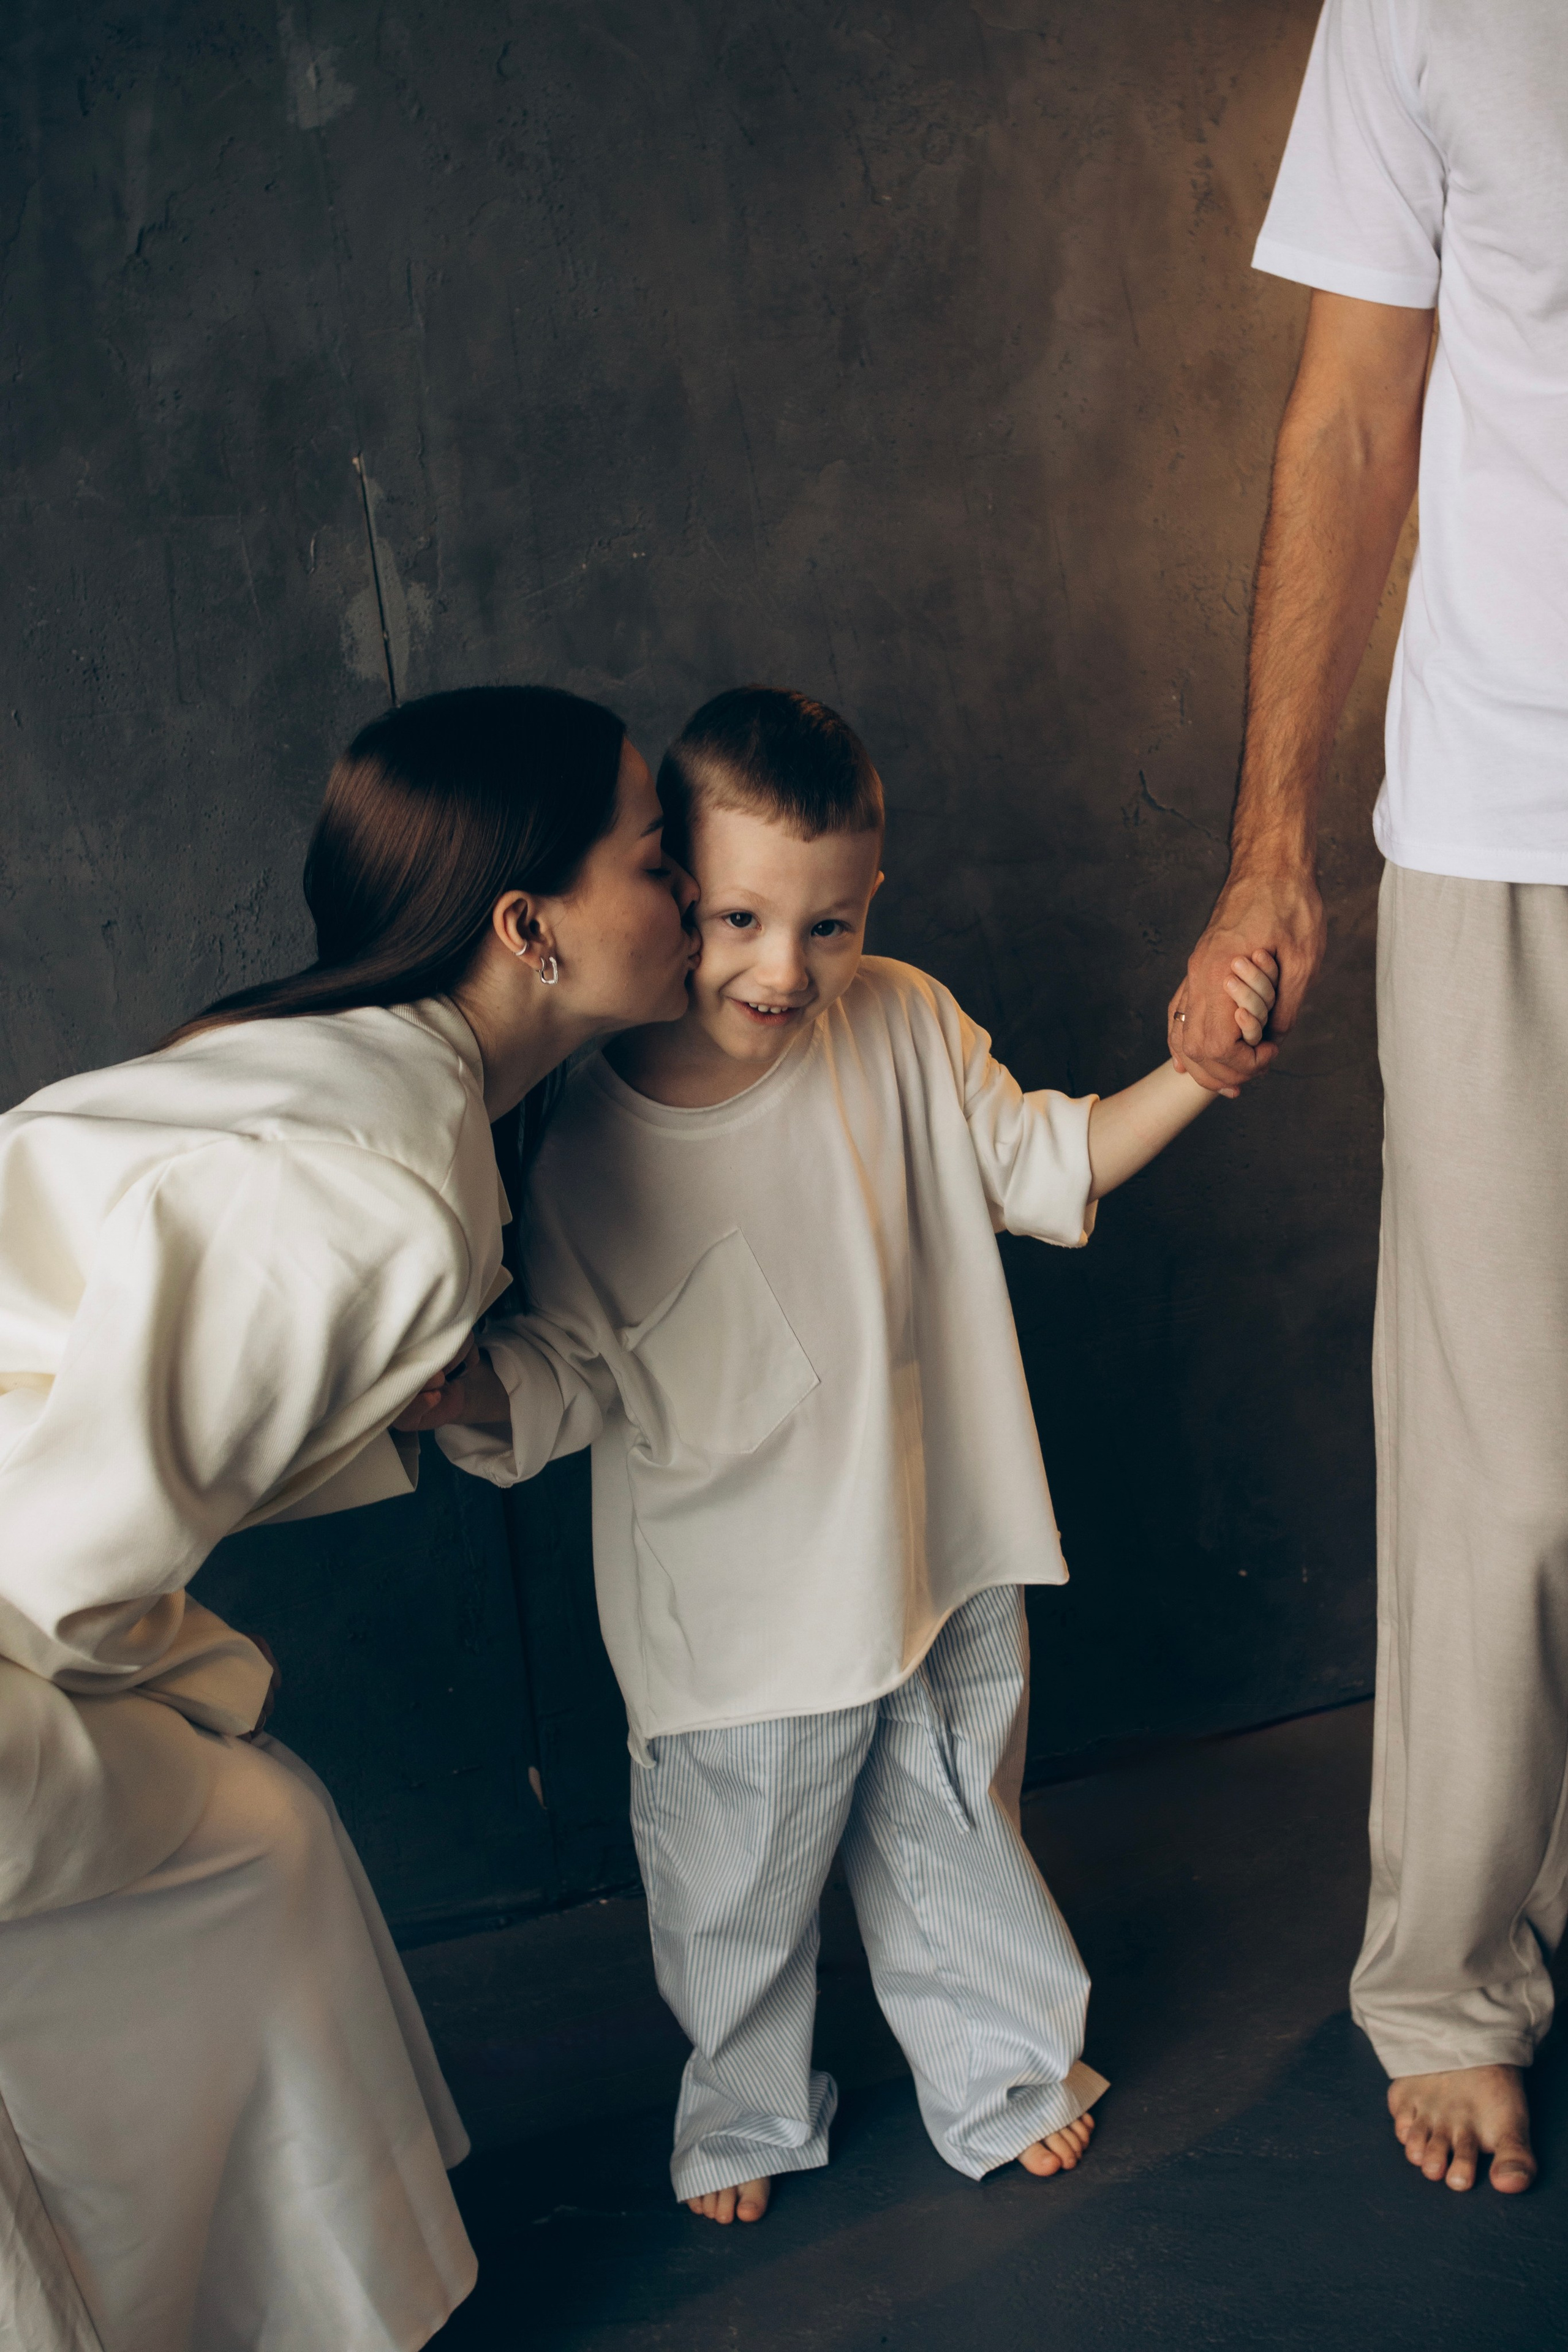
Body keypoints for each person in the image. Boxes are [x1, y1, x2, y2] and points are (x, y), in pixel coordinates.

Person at [408, 687, 1275, 2223]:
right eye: (739, 917)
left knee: (955, 1832)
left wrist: (1195, 1078)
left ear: (873, 899)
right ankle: (741, 2114)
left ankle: (1003, 2071)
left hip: (926, 1545)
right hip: (731, 1613)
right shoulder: (587, 1134)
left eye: (827, 926)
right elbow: (567, 1376)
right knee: (731, 1891)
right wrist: (457, 1396)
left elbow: (1042, 1160)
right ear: (674, 885)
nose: (780, 968)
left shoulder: (900, 1022)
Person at [0, 684, 696, 2351]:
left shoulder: (366, 1096)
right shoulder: (375, 1190)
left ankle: (313, 2295)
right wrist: (174, 1674)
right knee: (253, 1834)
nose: (686, 897)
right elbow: (53, 1576)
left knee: (265, 1842)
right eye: (661, 859)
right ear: (531, 925)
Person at [1169, 0, 1568, 2197]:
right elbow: (1347, 424)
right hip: (1520, 804)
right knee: (1506, 1464)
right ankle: (1447, 1979)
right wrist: (1269, 843)